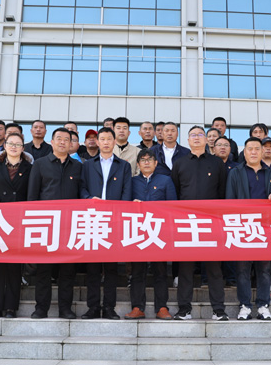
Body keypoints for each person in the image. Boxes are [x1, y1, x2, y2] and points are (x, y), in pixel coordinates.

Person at [171, 126, 228, 321]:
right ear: (188, 140)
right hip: (186, 222)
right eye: (193, 135)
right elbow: (176, 192)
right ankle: (184, 309)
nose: (196, 138)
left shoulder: (217, 163)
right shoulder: (179, 163)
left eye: (200, 135)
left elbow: (222, 192)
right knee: (185, 268)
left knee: (214, 269)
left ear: (206, 140)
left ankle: (218, 310)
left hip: (211, 222)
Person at [27, 127, 81, 320]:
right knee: (44, 270)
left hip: (69, 225)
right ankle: (41, 308)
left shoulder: (77, 166)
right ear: (52, 142)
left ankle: (65, 309)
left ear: (71, 144)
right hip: (46, 224)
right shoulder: (40, 164)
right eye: (59, 139)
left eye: (66, 139)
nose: (62, 142)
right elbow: (32, 195)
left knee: (67, 270)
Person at [80, 127, 132, 320]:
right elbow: (82, 188)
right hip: (93, 219)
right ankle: (93, 307)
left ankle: (109, 307)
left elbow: (127, 191)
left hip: (114, 219)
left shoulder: (124, 165)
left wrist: (120, 213)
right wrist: (89, 199)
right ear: (98, 142)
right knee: (93, 267)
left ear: (114, 142)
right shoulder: (88, 165)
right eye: (102, 139)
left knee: (111, 267)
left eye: (109, 139)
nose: (106, 142)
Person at [226, 137, 271, 321]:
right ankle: (245, 306)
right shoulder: (235, 172)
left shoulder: (270, 173)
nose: (254, 152)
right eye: (250, 149)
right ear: (245, 152)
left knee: (264, 269)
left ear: (263, 151)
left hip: (265, 228)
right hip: (243, 226)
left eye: (257, 148)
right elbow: (230, 200)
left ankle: (263, 305)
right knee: (242, 269)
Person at [0, 132, 32, 318]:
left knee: (14, 266)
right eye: (10, 143)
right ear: (4, 146)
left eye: (18, 144)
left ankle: (11, 307)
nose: (14, 147)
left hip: (18, 220)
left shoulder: (29, 168)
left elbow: (31, 194)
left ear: (23, 148)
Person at [125, 149, 177, 320]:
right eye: (143, 160)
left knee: (160, 271)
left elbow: (172, 206)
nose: (146, 162)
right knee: (137, 271)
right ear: (138, 164)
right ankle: (137, 307)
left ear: (156, 163)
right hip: (137, 232)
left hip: (158, 232)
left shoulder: (165, 180)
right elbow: (123, 204)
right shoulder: (132, 181)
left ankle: (161, 307)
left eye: (149, 159)